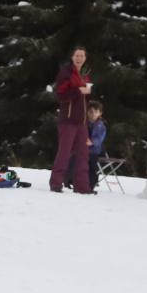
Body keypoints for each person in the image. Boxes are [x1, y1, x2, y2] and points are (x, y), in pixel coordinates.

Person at [51, 46, 93, 194]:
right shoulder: (66, 72)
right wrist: (77, 91)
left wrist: (87, 93)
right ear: (72, 57)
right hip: (68, 120)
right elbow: (60, 95)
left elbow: (84, 99)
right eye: (77, 55)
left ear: (85, 58)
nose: (79, 58)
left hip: (81, 121)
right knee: (64, 152)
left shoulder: (85, 75)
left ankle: (82, 186)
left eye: (82, 56)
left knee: (83, 154)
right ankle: (56, 183)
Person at [86, 101, 108, 192]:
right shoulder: (85, 123)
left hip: (95, 150)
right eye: (91, 111)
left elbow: (99, 138)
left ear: (100, 113)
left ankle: (91, 184)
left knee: (92, 166)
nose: (93, 114)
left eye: (96, 111)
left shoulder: (100, 125)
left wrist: (92, 142)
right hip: (85, 149)